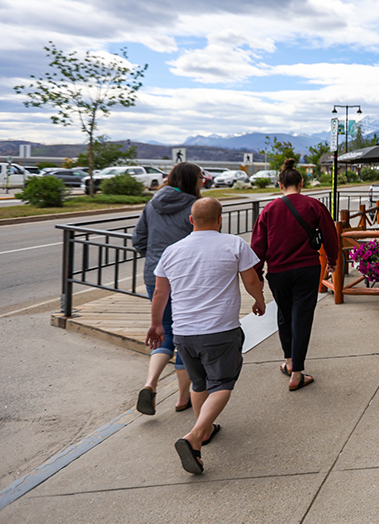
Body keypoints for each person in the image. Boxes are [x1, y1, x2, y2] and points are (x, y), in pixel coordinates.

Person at [146, 197, 265, 474]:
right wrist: (259, 300)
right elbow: (251, 280)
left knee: (199, 385)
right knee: (222, 383)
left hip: (184, 334)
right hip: (221, 331)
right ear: (219, 219)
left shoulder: (172, 251)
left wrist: (156, 325)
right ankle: (195, 434)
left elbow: (160, 292)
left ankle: (203, 436)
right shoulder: (233, 244)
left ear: (191, 220)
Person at [250, 158, 338, 392]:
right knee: (302, 318)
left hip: (278, 272)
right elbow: (330, 234)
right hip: (307, 270)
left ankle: (289, 361)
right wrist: (333, 261)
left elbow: (258, 246)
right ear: (301, 183)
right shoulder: (313, 205)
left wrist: (257, 274)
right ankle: (297, 373)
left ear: (280, 185)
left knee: (284, 315)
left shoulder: (269, 210)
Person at [132, 161, 204, 415]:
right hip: (187, 279)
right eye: (200, 178)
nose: (203, 181)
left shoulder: (152, 203)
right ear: (191, 181)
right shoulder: (195, 206)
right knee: (185, 334)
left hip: (155, 277)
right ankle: (182, 397)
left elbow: (138, 239)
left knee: (164, 332)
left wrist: (157, 258)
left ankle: (150, 383)